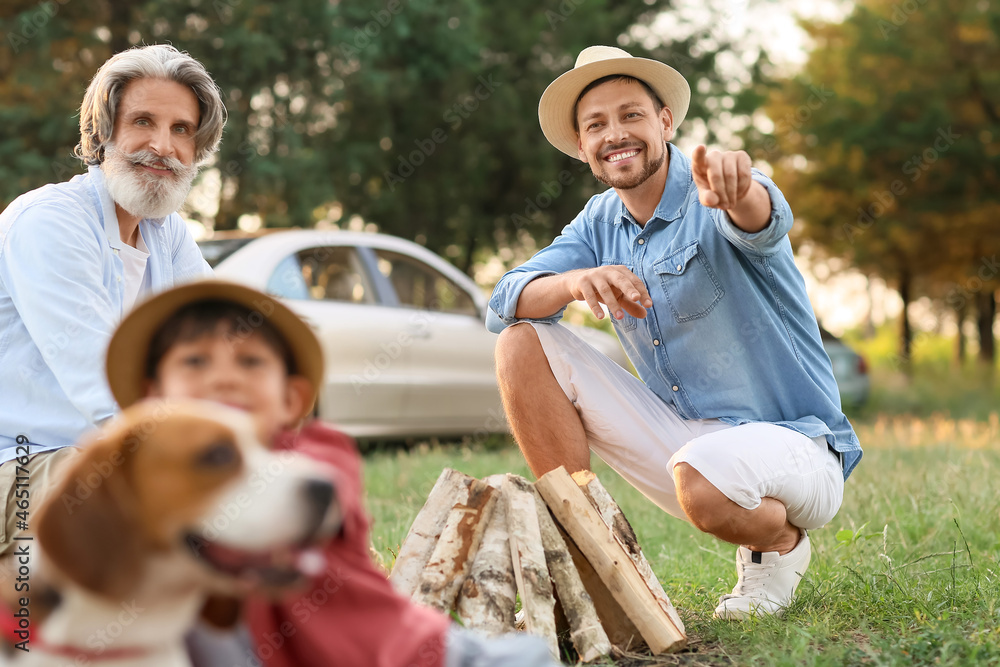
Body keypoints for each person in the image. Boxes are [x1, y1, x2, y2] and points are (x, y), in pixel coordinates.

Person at [487, 45, 863, 620]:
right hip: (686, 442)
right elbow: (505, 298)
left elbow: (761, 218)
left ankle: (778, 548)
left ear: (665, 121)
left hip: (797, 446)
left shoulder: (714, 186)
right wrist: (574, 281)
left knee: (704, 473)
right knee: (520, 341)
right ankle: (588, 559)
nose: (616, 133)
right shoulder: (597, 222)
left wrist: (739, 193)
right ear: (584, 147)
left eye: (631, 114)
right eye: (597, 125)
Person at [105, 280, 559, 667]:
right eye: (195, 362)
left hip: (376, 645)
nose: (225, 378)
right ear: (153, 396)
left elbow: (299, 497)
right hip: (220, 644)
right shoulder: (139, 478)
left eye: (250, 362)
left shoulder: (313, 452)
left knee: (521, 658)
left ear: (290, 399)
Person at [0, 44, 225, 556]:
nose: (162, 146)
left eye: (181, 129)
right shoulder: (50, 221)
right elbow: (107, 380)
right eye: (142, 121)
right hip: (21, 465)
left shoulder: (165, 234)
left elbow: (228, 336)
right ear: (104, 133)